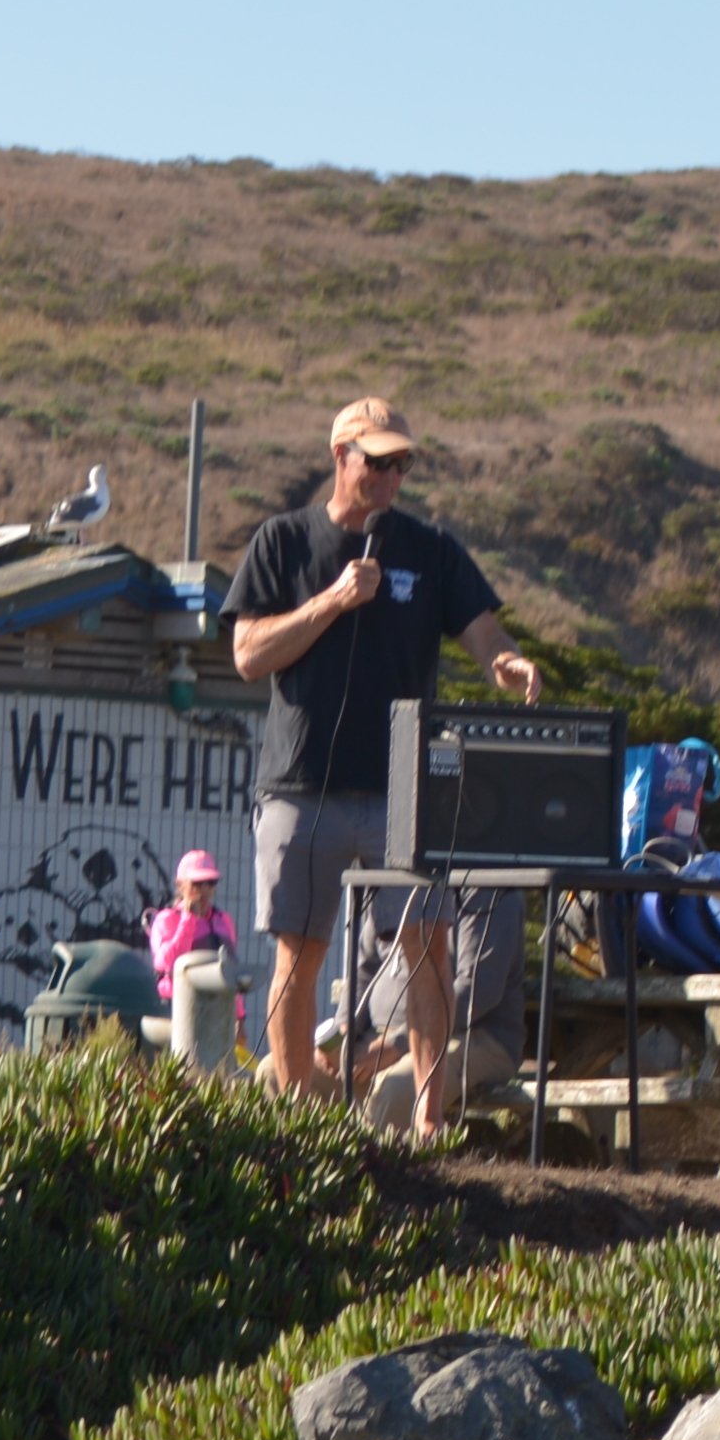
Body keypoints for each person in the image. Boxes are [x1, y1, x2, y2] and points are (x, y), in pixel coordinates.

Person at [227, 396, 547, 1126]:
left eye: (402, 464)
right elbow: (247, 656)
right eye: (378, 462)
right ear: (340, 456)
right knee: (297, 957)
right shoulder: (282, 542)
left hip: (404, 790)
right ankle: (298, 1116)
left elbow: (483, 630)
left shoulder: (430, 550)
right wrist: (332, 602)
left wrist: (506, 661)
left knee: (427, 951)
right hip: (302, 785)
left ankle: (430, 1123)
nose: (391, 478)